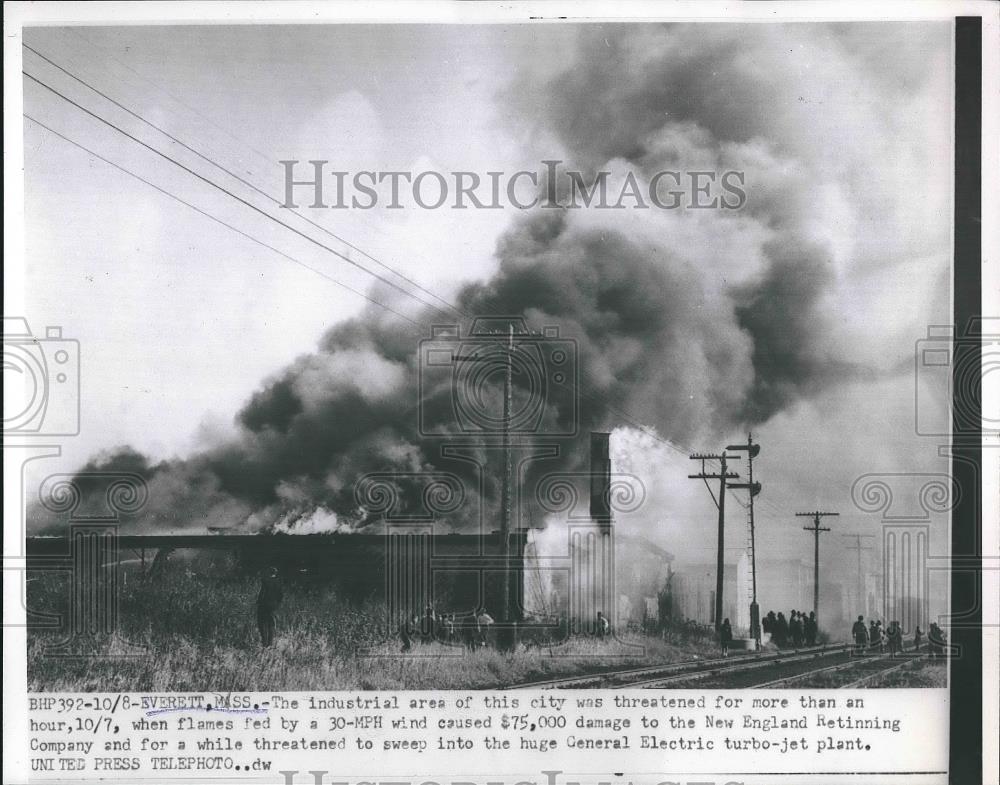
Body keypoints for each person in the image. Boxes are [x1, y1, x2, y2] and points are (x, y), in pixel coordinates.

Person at [256, 566, 283, 647]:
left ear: (269, 573)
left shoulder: (265, 581)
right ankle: (270, 644)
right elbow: (281, 595)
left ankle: (264, 643)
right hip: (273, 606)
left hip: (264, 605)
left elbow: (262, 593)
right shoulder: (279, 582)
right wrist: (277, 603)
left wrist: (258, 602)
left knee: (263, 623)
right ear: (275, 573)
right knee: (271, 624)